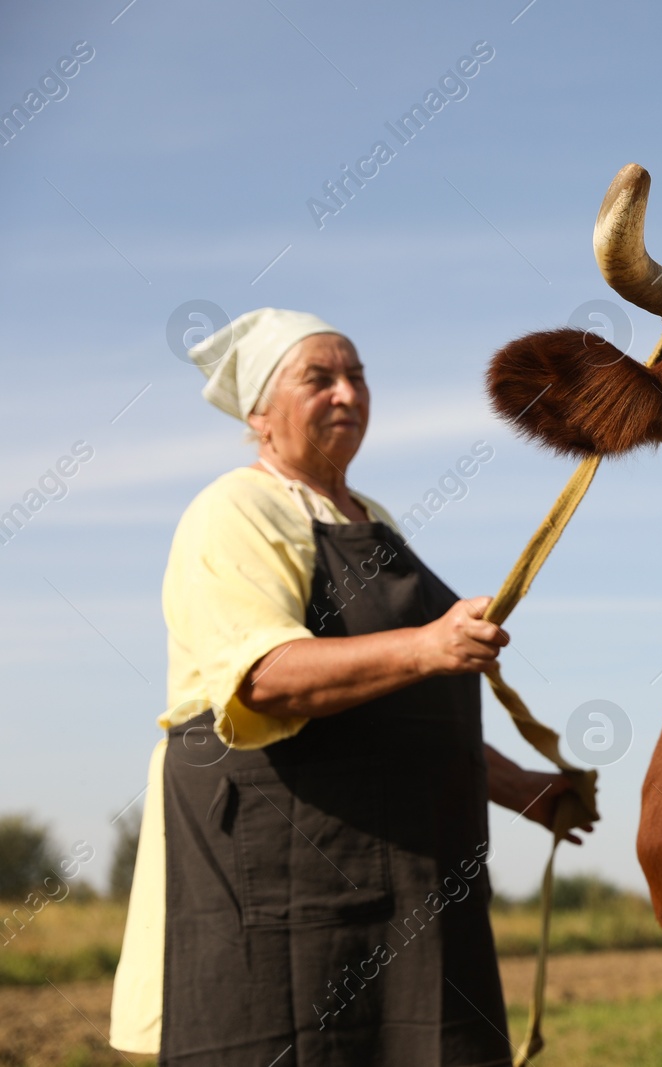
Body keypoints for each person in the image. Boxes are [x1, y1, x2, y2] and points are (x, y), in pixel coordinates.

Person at [109, 308, 589, 1065]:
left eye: (357, 375)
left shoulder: (380, 523)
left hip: (417, 880)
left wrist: (523, 787)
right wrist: (428, 644)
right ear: (260, 414)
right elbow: (263, 677)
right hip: (288, 882)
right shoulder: (234, 511)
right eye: (320, 377)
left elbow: (407, 714)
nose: (347, 393)